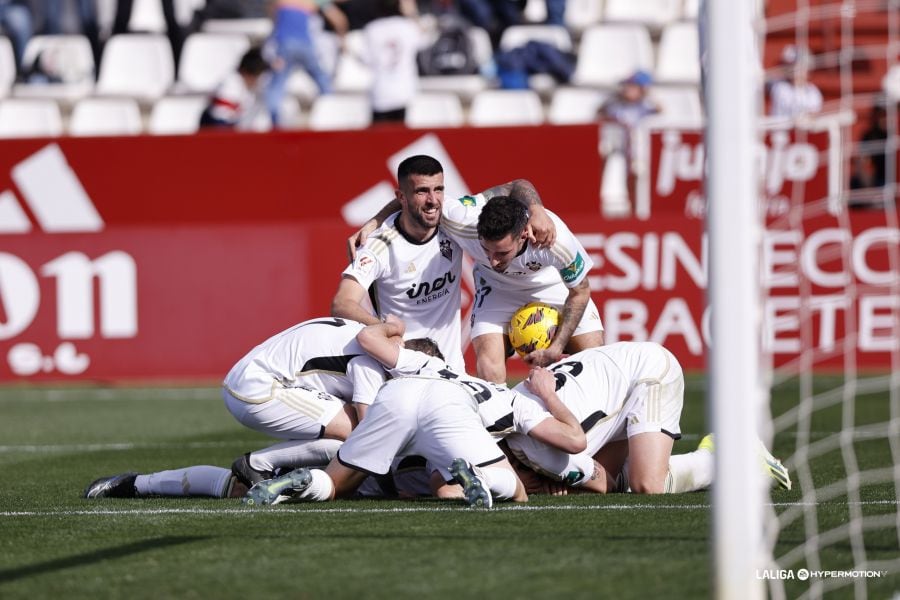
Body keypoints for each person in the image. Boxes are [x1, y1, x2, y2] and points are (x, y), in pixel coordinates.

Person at [243, 317, 585, 508]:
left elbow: (367, 336)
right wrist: (548, 394)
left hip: (397, 397)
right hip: (450, 409)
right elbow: (574, 441)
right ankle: (480, 478)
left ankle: (300, 484)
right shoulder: (512, 399)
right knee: (516, 490)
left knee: (334, 485)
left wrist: (394, 326)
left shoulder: (420, 361)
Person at [342, 158, 559, 379]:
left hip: (453, 374)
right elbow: (342, 303)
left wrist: (536, 210)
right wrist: (386, 329)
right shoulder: (379, 246)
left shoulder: (451, 219)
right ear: (401, 197)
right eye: (422, 191)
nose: (433, 200)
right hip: (402, 371)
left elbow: (515, 186)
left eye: (439, 189)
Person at [443, 190, 603, 383]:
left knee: (596, 359)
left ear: (524, 235)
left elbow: (581, 292)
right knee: (488, 368)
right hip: (497, 290)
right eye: (486, 249)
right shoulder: (461, 222)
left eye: (502, 253)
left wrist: (557, 347)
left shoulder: (555, 241)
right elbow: (412, 200)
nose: (493, 261)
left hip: (553, 286)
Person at [264, 0, 348, 126]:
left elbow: (273, 16)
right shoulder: (314, 1)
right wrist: (342, 40)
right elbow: (339, 20)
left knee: (277, 84)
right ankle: (334, 109)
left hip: (285, 45)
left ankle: (275, 120)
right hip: (306, 46)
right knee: (322, 80)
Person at [362, 0, 422, 124]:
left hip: (380, 92)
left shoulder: (372, 28)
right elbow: (424, 40)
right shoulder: (408, 27)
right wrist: (412, 13)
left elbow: (366, 60)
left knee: (379, 142)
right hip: (404, 93)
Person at [199, 46, 269, 129]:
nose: (259, 81)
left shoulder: (249, 90)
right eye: (257, 76)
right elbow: (219, 125)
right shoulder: (228, 87)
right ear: (247, 73)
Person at [768, 44, 823, 119]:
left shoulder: (813, 92)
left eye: (801, 67)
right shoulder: (780, 88)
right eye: (792, 67)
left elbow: (813, 118)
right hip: (782, 129)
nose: (796, 71)